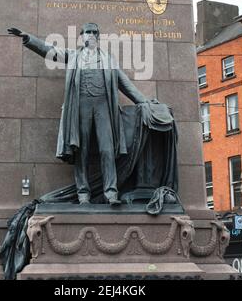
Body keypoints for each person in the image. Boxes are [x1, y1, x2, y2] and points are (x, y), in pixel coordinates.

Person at [8, 23, 148, 206]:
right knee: (81, 150)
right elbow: (49, 51)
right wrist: (29, 39)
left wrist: (143, 102)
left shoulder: (108, 59)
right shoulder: (73, 56)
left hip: (103, 108)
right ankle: (83, 194)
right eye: (87, 32)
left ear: (98, 37)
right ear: (81, 36)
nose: (90, 35)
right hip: (80, 107)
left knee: (107, 149)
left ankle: (111, 193)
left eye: (94, 32)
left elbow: (124, 83)